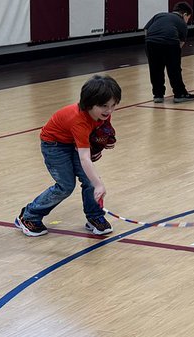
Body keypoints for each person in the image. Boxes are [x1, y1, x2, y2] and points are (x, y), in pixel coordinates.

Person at [15, 74, 122, 237]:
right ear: (89, 103)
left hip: (73, 142)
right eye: (104, 106)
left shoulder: (101, 114)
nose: (109, 110)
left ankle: (94, 216)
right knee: (66, 186)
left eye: (113, 105)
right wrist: (99, 184)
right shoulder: (79, 120)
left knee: (90, 180)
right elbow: (84, 158)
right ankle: (29, 216)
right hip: (54, 145)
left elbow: (98, 131)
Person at [145, 1, 194, 103]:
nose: (187, 21)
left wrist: (151, 41)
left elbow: (146, 29)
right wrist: (173, 57)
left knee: (155, 69)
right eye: (188, 18)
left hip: (151, 42)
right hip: (170, 43)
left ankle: (158, 95)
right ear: (185, 14)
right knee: (174, 70)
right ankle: (180, 94)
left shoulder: (159, 15)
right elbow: (181, 43)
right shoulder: (182, 23)